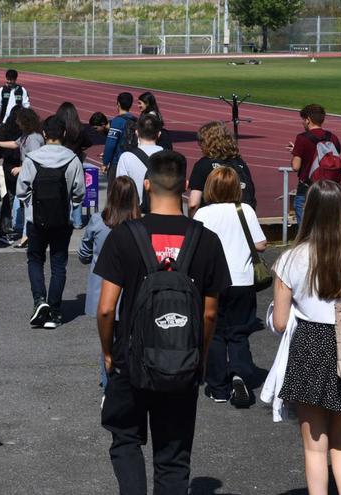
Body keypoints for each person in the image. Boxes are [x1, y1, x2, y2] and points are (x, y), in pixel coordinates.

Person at [95, 150, 231, 495]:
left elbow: (107, 308)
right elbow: (210, 312)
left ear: (146, 184)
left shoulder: (125, 235)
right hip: (182, 360)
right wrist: (198, 354)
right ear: (185, 186)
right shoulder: (206, 240)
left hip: (131, 357)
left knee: (125, 438)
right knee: (173, 455)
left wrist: (108, 352)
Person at [272, 180, 341, 494]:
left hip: (310, 346)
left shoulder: (291, 258)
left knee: (315, 446)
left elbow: (281, 322)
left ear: (310, 211)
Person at [193, 167, 266, 407]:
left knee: (214, 333)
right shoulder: (245, 210)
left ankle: (218, 387)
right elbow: (261, 244)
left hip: (214, 280)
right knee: (239, 332)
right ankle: (240, 373)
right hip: (242, 280)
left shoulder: (203, 213)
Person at [16, 116, 86, 329]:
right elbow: (79, 192)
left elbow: (21, 190)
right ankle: (55, 311)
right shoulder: (72, 159)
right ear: (63, 134)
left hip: (36, 220)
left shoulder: (32, 158)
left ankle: (40, 300)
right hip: (61, 220)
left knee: (35, 260)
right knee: (58, 264)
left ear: (45, 134)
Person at [79, 176, 140, 320]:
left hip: (101, 289)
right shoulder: (140, 225)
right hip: (131, 290)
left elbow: (84, 253)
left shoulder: (98, 220)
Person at [0, 108, 45, 248]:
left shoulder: (33, 138)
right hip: (27, 175)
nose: (17, 123)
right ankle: (26, 235)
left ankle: (27, 236)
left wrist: (21, 168)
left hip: (32, 177)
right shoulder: (26, 135)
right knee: (28, 206)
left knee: (30, 208)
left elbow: (36, 158)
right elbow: (15, 144)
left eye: (19, 121)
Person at [287, 103, 341, 226]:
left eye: (303, 120)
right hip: (330, 189)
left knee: (306, 232)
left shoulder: (302, 138)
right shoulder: (333, 137)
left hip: (308, 189)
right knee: (327, 228)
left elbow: (296, 166)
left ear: (308, 120)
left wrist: (296, 153)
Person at [188, 121, 257, 217]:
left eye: (201, 141)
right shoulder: (240, 163)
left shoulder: (203, 165)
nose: (199, 145)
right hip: (241, 216)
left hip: (212, 219)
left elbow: (193, 203)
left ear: (207, 142)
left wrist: (192, 222)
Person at [56, 101, 93, 229]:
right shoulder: (80, 128)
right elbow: (89, 142)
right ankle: (77, 221)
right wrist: (79, 147)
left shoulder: (59, 128)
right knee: (76, 193)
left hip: (60, 162)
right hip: (76, 161)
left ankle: (63, 219)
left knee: (62, 192)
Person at [115, 113, 163, 206]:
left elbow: (120, 189)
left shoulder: (126, 157)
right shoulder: (169, 157)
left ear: (137, 133)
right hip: (161, 212)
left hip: (135, 211)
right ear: (159, 134)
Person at [0, 105, 24, 244]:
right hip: (23, 167)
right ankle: (26, 230)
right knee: (26, 200)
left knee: (8, 200)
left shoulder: (4, 129)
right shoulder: (26, 132)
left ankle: (4, 230)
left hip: (8, 167)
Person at [101, 92, 137, 178]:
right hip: (133, 161)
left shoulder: (117, 122)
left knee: (113, 190)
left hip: (118, 162)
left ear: (118, 104)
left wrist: (105, 163)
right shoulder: (135, 120)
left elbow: (110, 144)